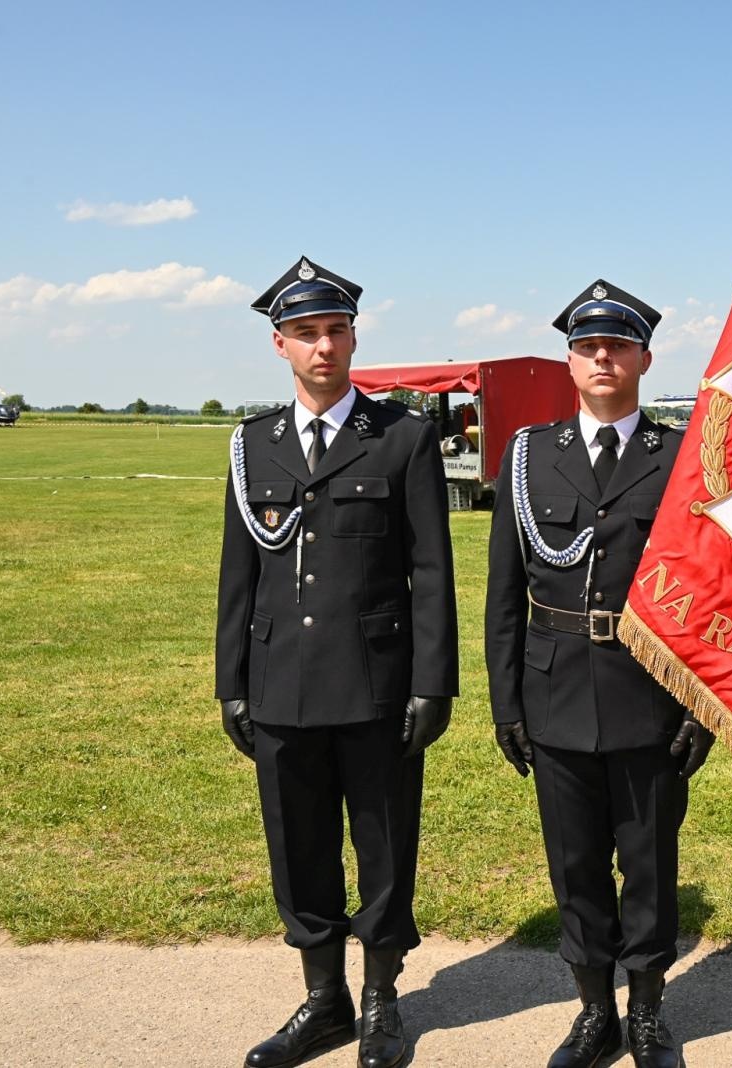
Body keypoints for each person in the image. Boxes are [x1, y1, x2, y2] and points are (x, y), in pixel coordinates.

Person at [216, 257, 458, 1068]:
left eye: (336, 331)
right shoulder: (254, 445)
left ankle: (382, 998)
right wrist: (231, 685)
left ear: (354, 338)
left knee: (384, 844)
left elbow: (431, 572)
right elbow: (238, 574)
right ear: (280, 345)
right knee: (299, 846)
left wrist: (432, 683)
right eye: (307, 333)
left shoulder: (402, 438)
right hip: (280, 682)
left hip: (375, 685)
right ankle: (325, 1001)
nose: (323, 346)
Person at [485, 279, 713, 1068]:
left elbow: (710, 591)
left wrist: (701, 706)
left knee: (649, 864)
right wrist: (506, 701)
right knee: (575, 865)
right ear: (570, 362)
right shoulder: (529, 456)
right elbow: (504, 593)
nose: (602, 358)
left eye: (618, 346)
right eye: (587, 347)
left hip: (651, 695)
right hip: (553, 690)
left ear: (645, 360)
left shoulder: (678, 457)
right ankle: (594, 1013)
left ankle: (646, 1013)